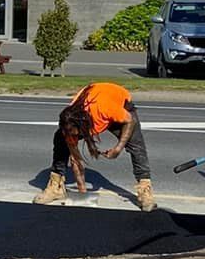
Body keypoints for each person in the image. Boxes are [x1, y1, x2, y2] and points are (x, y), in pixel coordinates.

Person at [33, 81, 155, 211]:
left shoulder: (105, 109)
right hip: (93, 106)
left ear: (82, 126)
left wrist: (118, 148)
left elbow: (130, 120)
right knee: (60, 139)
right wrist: (82, 193)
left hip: (118, 101)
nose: (73, 136)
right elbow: (76, 160)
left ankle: (145, 189)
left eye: (75, 134)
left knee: (136, 146)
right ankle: (56, 186)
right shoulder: (69, 123)